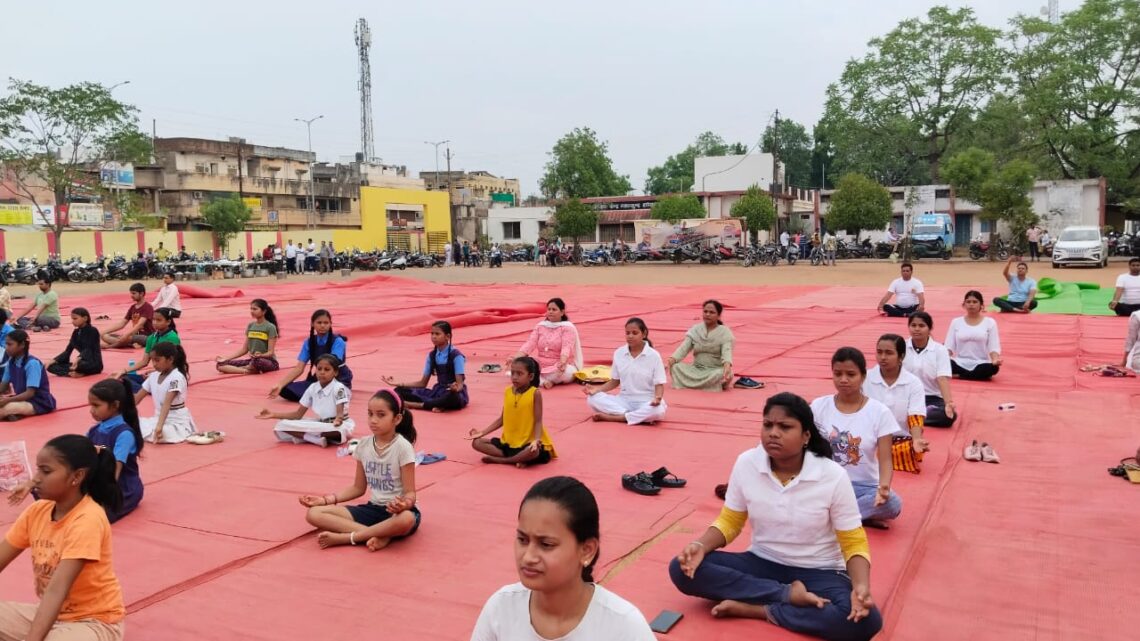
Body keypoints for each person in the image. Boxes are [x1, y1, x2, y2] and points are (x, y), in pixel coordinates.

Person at [668, 393, 881, 641]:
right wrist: (700, 546)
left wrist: (861, 587)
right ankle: (786, 596)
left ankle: (760, 609)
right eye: (767, 424)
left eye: (785, 427)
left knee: (865, 620)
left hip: (820, 572)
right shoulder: (747, 463)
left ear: (806, 436)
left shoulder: (832, 475)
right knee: (681, 568)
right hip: (761, 562)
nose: (773, 433)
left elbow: (853, 541)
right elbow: (730, 522)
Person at [472, 476, 656, 641]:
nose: (528, 557)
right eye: (522, 540)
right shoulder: (501, 608)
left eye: (546, 544)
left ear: (587, 550)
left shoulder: (624, 627)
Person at [0, 434, 126, 640]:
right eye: (38, 468)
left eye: (46, 471)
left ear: (76, 477)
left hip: (93, 621)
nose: (36, 478)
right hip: (51, 615)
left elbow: (56, 590)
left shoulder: (88, 519)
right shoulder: (37, 511)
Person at [298, 389, 419, 551]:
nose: (373, 420)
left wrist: (404, 504)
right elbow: (358, 488)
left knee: (406, 519)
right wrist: (325, 500)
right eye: (370, 414)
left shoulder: (403, 447)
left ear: (397, 419)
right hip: (373, 509)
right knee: (314, 513)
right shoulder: (363, 445)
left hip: (397, 513)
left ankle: (348, 537)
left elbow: (410, 492)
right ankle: (382, 535)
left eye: (381, 415)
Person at [812, 348, 900, 527]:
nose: (843, 380)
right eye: (838, 374)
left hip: (862, 487)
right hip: (826, 484)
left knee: (892, 503)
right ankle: (855, 516)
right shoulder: (819, 406)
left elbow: (885, 459)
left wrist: (883, 487)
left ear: (863, 376)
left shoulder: (879, 412)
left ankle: (832, 517)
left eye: (850, 374)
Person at [467, 356, 556, 467]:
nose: (514, 377)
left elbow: (538, 421)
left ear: (531, 376)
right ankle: (517, 459)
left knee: (534, 451)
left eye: (519, 374)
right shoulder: (508, 391)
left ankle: (503, 460)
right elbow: (502, 419)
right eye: (512, 373)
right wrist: (482, 432)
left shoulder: (535, 393)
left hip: (528, 443)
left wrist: (536, 440)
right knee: (477, 443)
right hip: (509, 443)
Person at [584, 318, 667, 425]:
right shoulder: (619, 353)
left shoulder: (654, 355)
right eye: (627, 333)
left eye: (635, 333)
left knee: (658, 410)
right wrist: (597, 389)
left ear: (644, 333)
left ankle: (617, 417)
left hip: (646, 401)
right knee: (592, 399)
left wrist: (657, 398)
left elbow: (659, 383)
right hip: (624, 401)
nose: (630, 336)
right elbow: (615, 381)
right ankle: (634, 416)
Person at [258, 355, 353, 448]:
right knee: (281, 425)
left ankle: (310, 437)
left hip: (337, 425)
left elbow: (340, 411)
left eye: (327, 369)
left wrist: (338, 420)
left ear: (335, 372)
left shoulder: (339, 387)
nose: (322, 372)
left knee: (337, 430)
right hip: (320, 423)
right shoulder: (312, 387)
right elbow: (298, 415)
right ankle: (315, 439)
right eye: (319, 369)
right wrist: (273, 415)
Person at [84, 379, 145, 523]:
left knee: (91, 517)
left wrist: (96, 497)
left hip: (120, 489)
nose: (91, 410)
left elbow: (114, 474)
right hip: (97, 483)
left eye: (96, 405)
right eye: (91, 405)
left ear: (115, 406)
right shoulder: (94, 430)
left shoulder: (124, 434)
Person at [382, 320, 468, 412]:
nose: (433, 337)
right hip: (438, 392)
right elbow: (422, 383)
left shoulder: (456, 356)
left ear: (448, 336)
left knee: (452, 398)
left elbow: (460, 385)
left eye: (437, 334)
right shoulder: (431, 356)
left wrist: (454, 389)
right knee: (399, 390)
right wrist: (399, 383)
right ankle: (437, 405)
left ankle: (415, 405)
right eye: (432, 334)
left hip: (453, 393)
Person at [268, 309, 353, 402]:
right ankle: (316, 395)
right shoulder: (309, 342)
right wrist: (280, 384)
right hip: (319, 378)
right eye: (319, 322)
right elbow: (299, 368)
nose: (323, 325)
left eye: (326, 323)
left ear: (330, 324)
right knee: (285, 389)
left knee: (332, 394)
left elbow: (332, 364)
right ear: (313, 324)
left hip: (338, 378)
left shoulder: (338, 341)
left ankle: (319, 394)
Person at [863, 334, 928, 454]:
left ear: (901, 356)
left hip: (898, 440)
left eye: (889, 353)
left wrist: (917, 439)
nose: (883, 357)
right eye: (879, 352)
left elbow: (916, 416)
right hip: (867, 437)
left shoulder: (913, 383)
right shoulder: (865, 378)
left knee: (911, 451)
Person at [508, 298, 583, 388]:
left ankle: (542, 380)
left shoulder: (567, 328)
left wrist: (562, 362)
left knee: (568, 372)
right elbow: (530, 344)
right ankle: (546, 382)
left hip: (558, 364)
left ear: (562, 312)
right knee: (521, 367)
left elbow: (566, 347)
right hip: (541, 363)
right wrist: (515, 359)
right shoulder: (541, 326)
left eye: (554, 309)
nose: (550, 312)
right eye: (549, 309)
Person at [666, 299, 734, 391]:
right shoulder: (695, 329)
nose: (707, 314)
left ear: (719, 316)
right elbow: (683, 348)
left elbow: (727, 352)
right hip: (696, 369)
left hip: (714, 370)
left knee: (720, 374)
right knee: (676, 367)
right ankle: (706, 385)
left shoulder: (725, 332)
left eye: (711, 312)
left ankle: (693, 383)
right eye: (705, 311)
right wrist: (672, 359)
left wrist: (727, 366)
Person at [903, 312, 957, 427]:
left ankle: (910, 417)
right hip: (906, 397)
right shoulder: (901, 346)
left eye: (921, 326)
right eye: (913, 325)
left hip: (931, 398)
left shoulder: (940, 350)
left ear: (929, 328)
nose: (917, 329)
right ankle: (913, 416)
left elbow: (942, 378)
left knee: (949, 416)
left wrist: (948, 403)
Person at [135, 342, 196, 444]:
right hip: (157, 419)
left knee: (161, 432)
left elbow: (166, 404)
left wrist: (159, 427)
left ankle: (159, 430)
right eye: (153, 360)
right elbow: (137, 399)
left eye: (157, 360)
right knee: (131, 424)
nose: (154, 364)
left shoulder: (176, 377)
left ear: (170, 359)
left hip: (177, 422)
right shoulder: (153, 376)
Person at [113, 307, 181, 393]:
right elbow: (144, 361)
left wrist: (154, 371)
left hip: (169, 375)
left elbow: (175, 363)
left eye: (159, 320)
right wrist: (123, 370)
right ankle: (147, 388)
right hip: (156, 373)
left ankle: (147, 389)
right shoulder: (151, 338)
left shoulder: (172, 338)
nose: (155, 323)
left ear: (168, 322)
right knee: (121, 377)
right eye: (153, 320)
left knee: (124, 383)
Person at [946, 290, 1002, 381]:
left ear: (981, 305)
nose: (971, 304)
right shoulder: (956, 322)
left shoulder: (990, 322)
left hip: (981, 363)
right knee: (945, 363)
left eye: (975, 302)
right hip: (959, 362)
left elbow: (994, 346)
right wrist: (942, 359)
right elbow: (949, 346)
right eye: (968, 302)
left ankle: (960, 375)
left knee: (993, 368)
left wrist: (995, 360)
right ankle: (975, 376)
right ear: (964, 305)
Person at [0, 330, 56, 420]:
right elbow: (3, 387)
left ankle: (13, 413)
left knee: (4, 409)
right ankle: (14, 414)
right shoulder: (11, 362)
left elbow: (30, 393)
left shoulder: (32, 363)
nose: (6, 348)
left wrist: (7, 400)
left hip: (38, 402)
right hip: (20, 399)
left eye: (10, 344)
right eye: (6, 344)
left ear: (22, 345)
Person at [215, 299, 280, 375]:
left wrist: (261, 355)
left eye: (255, 309)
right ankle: (247, 371)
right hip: (253, 361)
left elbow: (270, 352)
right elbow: (244, 350)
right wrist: (226, 358)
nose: (252, 311)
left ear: (264, 311)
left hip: (268, 362)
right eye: (251, 309)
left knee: (257, 361)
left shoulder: (270, 327)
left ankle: (244, 368)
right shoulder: (251, 326)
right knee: (220, 364)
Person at [47, 307, 103, 378]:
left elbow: (88, 349)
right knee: (51, 366)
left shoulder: (93, 331)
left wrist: (78, 358)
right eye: (72, 319)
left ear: (85, 318)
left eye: (75, 319)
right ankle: (74, 373)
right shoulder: (75, 332)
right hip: (79, 362)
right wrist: (54, 360)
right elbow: (68, 351)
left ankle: (81, 373)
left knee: (80, 364)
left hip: (92, 363)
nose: (72, 321)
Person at [100, 282, 154, 349]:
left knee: (126, 338)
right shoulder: (133, 307)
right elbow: (122, 324)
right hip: (133, 336)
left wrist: (126, 335)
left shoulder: (148, 307)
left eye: (134, 293)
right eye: (131, 293)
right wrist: (103, 332)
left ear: (142, 294)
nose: (131, 295)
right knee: (105, 336)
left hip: (146, 337)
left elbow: (139, 325)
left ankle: (110, 346)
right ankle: (131, 344)